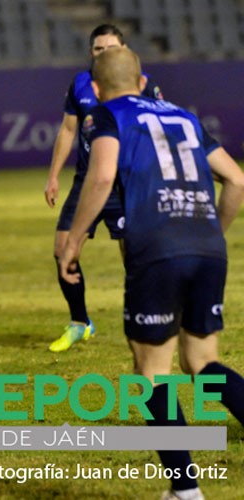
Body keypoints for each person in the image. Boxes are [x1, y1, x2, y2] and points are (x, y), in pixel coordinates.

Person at [60, 46, 244, 500]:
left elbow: (102, 177)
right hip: (206, 248)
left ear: (97, 89)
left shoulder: (105, 115)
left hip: (158, 249)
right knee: (202, 362)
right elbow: (237, 180)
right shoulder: (183, 115)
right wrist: (211, 233)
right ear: (143, 82)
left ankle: (185, 491)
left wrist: (75, 238)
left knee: (152, 374)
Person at [45, 24, 164, 352]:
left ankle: (147, 321)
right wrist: (53, 175)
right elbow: (69, 130)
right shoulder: (82, 84)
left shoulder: (143, 84)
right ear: (91, 53)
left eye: (111, 47)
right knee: (62, 249)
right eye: (99, 49)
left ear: (125, 50)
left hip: (127, 182)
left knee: (134, 258)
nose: (105, 53)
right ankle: (80, 322)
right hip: (87, 180)